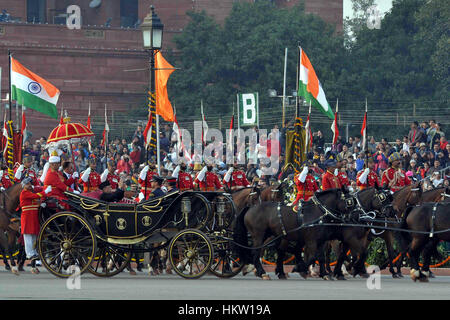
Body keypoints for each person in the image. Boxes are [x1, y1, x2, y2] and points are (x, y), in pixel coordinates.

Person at [19, 177, 52, 274]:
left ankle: (33, 263)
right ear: (24, 185)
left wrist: (40, 204)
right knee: (28, 239)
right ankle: (30, 255)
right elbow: (36, 196)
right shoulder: (24, 193)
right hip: (27, 219)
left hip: (33, 219)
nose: (30, 185)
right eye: (28, 184)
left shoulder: (29, 193)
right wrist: (45, 191)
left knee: (34, 240)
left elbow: (35, 200)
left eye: (30, 183)